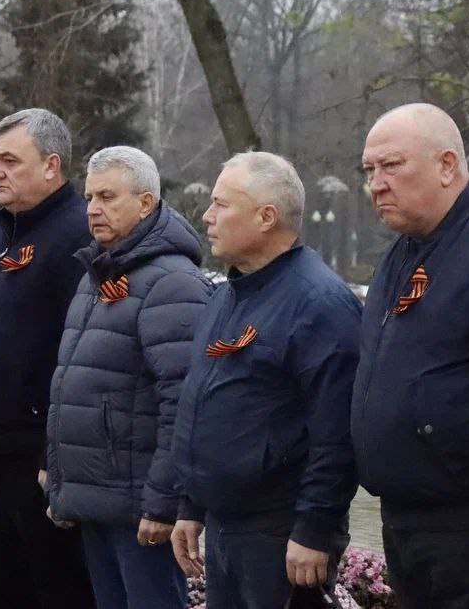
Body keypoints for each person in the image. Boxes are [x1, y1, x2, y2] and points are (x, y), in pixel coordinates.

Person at [351, 105, 469, 609]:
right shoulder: (402, 252)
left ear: (446, 165)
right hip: (404, 520)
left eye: (391, 165)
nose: (376, 184)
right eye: (369, 170)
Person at [171, 152, 362, 609]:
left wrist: (314, 527)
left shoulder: (319, 304)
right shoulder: (228, 295)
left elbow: (337, 433)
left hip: (280, 533)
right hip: (226, 525)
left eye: (221, 204)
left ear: (266, 217)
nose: (207, 216)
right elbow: (204, 403)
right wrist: (191, 504)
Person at [44, 147, 213, 609]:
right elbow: (71, 388)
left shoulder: (172, 283)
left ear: (145, 203)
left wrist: (163, 502)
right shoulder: (96, 275)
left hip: (139, 508)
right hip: (99, 498)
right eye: (89, 197)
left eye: (107, 197)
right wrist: (62, 485)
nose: (92, 209)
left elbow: (183, 402)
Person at [0, 108, 96, 609]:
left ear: (52, 166)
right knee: (4, 592)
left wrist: (52, 457)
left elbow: (77, 360)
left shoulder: (78, 237)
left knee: (56, 591)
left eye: (10, 161)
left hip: (37, 462)